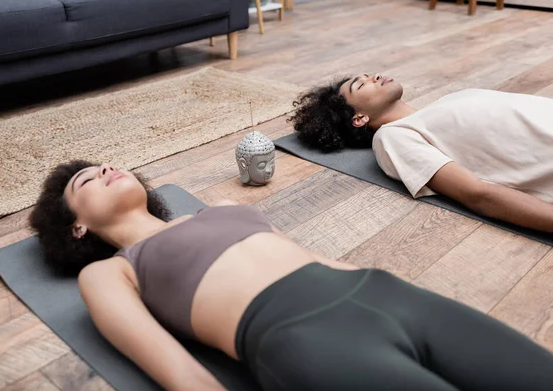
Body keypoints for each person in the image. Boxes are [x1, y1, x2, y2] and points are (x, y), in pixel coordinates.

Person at [30, 160, 553, 391]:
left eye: (105, 164)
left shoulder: (222, 207)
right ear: (75, 225)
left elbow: (302, 253)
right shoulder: (107, 274)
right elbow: (183, 375)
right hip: (302, 339)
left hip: (391, 296)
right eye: (86, 180)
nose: (106, 169)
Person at [290, 74, 553, 233]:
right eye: (362, 85)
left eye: (369, 74)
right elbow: (476, 194)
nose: (375, 76)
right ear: (359, 118)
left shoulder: (444, 102)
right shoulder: (392, 136)